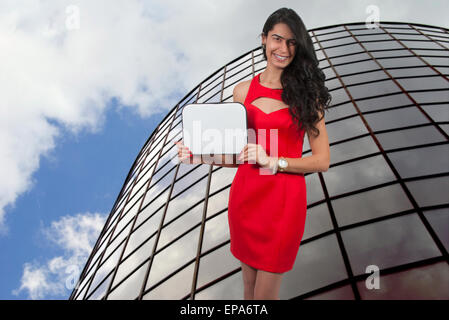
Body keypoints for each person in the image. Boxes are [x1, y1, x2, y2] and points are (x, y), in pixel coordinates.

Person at [175, 7, 331, 300]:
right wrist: (197, 155)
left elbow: (322, 160)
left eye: (291, 42)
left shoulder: (308, 96)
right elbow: (239, 155)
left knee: (264, 295)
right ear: (263, 39)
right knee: (248, 289)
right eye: (277, 39)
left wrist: (274, 161)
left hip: (284, 203)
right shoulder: (242, 91)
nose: (283, 48)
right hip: (247, 199)